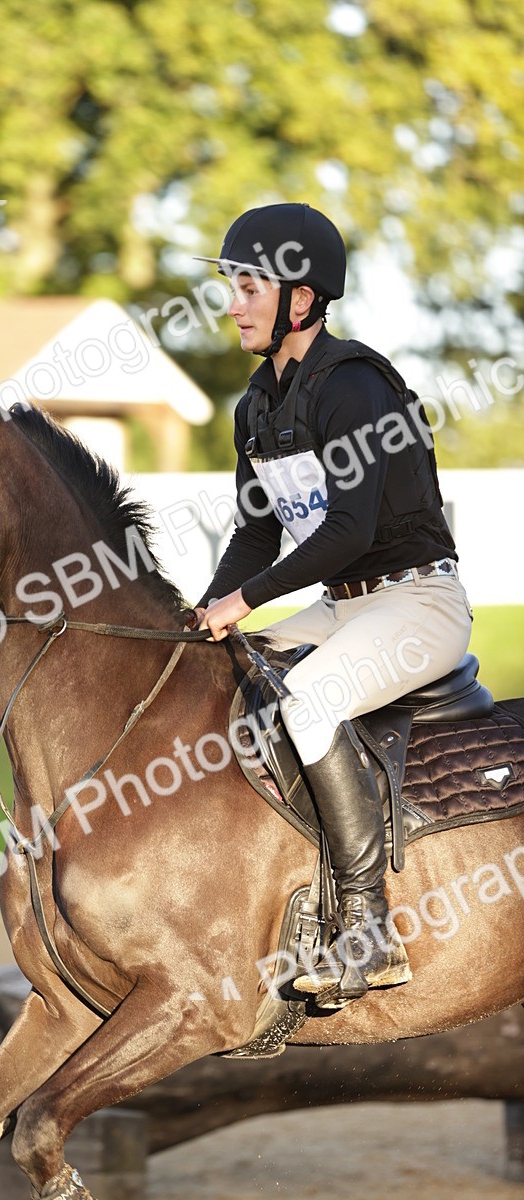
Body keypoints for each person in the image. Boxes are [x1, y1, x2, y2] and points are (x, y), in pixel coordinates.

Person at [193, 202, 474, 1004]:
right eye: (233, 285)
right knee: (224, 679)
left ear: (303, 299)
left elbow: (348, 533)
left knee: (309, 698)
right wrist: (210, 610)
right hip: (345, 607)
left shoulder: (355, 388)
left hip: (418, 603)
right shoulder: (256, 407)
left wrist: (244, 600)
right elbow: (255, 536)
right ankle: (286, 895)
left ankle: (368, 929)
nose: (234, 302)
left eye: (249, 286)